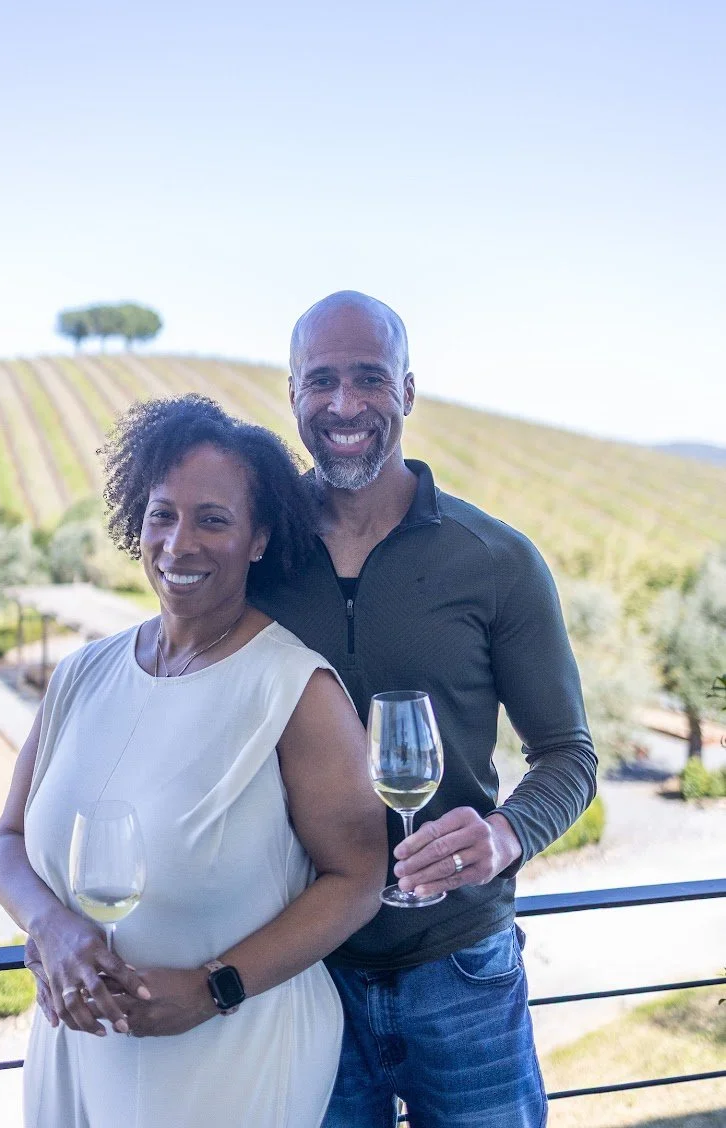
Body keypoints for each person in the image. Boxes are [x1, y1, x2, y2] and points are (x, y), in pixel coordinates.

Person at [244, 290, 598, 1128]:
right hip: (306, 974)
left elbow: (570, 755)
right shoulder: (256, 557)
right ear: (292, 393)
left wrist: (506, 834)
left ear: (407, 390)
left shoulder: (498, 560)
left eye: (370, 377)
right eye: (321, 380)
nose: (344, 405)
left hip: (463, 968)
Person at [0, 396, 387, 1128]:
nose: (180, 543)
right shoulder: (81, 675)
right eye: (162, 515)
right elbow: (9, 842)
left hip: (234, 1053)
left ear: (258, 539)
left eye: (213, 520)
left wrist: (215, 988)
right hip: (77, 1046)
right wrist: (51, 927)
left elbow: (359, 879)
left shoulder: (294, 689)